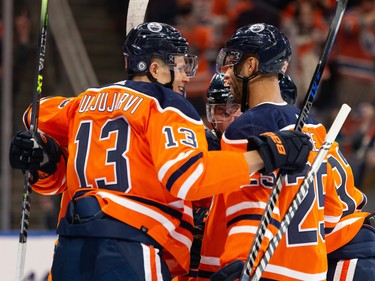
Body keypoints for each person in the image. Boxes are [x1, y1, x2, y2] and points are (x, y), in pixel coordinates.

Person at [9, 22, 312, 281]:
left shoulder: (85, 102)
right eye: (180, 66)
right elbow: (188, 177)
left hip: (70, 248)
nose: (186, 76)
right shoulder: (166, 104)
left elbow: (35, 115)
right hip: (129, 247)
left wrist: (45, 154)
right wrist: (263, 156)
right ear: (155, 68)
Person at [202, 23, 369, 281]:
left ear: (250, 66)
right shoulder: (313, 127)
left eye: (233, 63)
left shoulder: (247, 127)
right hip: (314, 270)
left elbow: (248, 211)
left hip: (269, 269)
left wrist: (238, 267)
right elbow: (334, 211)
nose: (226, 74)